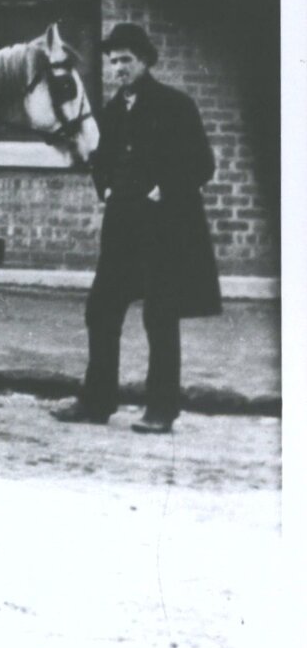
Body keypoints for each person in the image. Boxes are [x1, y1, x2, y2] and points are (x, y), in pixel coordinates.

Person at [54, 23, 221, 434]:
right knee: (102, 309)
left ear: (145, 61)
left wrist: (164, 190)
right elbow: (101, 159)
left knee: (159, 316)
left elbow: (202, 164)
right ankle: (96, 402)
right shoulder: (112, 109)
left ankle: (161, 410)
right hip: (121, 228)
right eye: (113, 61)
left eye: (126, 60)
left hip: (163, 229)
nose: (118, 68)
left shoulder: (175, 105)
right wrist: (106, 187)